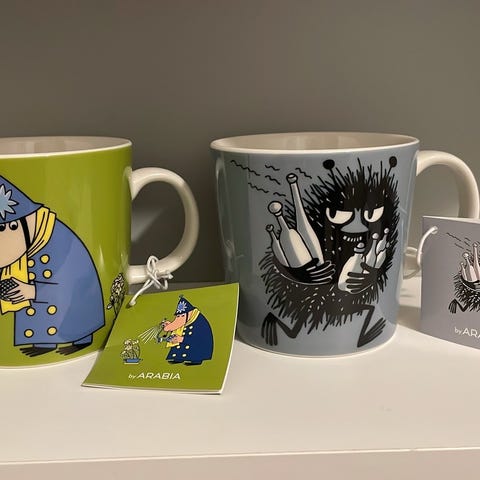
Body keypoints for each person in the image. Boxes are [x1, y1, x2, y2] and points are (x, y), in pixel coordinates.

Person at [0, 176, 105, 356]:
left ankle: (81, 339)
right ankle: (44, 343)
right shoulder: (30, 242)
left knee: (73, 313)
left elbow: (69, 283)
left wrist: (32, 291)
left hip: (73, 303)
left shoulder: (57, 240)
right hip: (41, 309)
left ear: (15, 225)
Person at [162, 295, 213, 365]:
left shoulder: (200, 322)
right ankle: (179, 358)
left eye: (182, 315)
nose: (179, 318)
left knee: (193, 349)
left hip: (197, 349)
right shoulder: (189, 320)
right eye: (178, 316)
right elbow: (180, 326)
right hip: (184, 346)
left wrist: (181, 339)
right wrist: (170, 325)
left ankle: (196, 360)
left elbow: (200, 340)